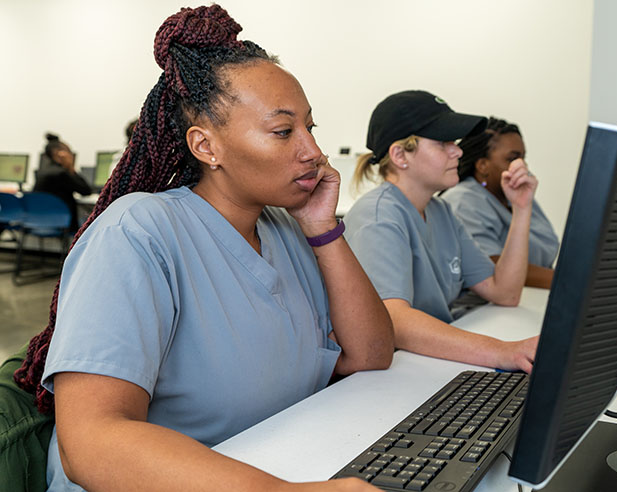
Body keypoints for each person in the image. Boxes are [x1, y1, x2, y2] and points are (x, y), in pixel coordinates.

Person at [14, 5, 392, 491]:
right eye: (283, 131)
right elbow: (91, 443)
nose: (313, 152)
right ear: (206, 147)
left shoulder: (287, 231)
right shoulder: (138, 233)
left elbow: (370, 355)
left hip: (271, 463)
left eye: (309, 128)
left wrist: (322, 229)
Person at [343, 90, 538, 373]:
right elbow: (394, 320)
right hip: (393, 374)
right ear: (400, 155)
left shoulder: (440, 211)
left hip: (426, 361)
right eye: (443, 142)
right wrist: (501, 351)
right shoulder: (378, 217)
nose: (458, 150)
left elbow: (505, 292)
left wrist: (521, 208)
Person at [442, 117, 559, 288]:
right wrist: (567, 281)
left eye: (523, 159)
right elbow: (491, 266)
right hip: (484, 307)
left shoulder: (516, 196)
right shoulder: (463, 201)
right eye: (512, 159)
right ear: (482, 165)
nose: (523, 166)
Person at [33, 133, 92, 230]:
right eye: (69, 152)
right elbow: (86, 191)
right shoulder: (62, 174)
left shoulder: (40, 172)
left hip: (39, 222)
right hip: (62, 224)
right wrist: (70, 167)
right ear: (60, 154)